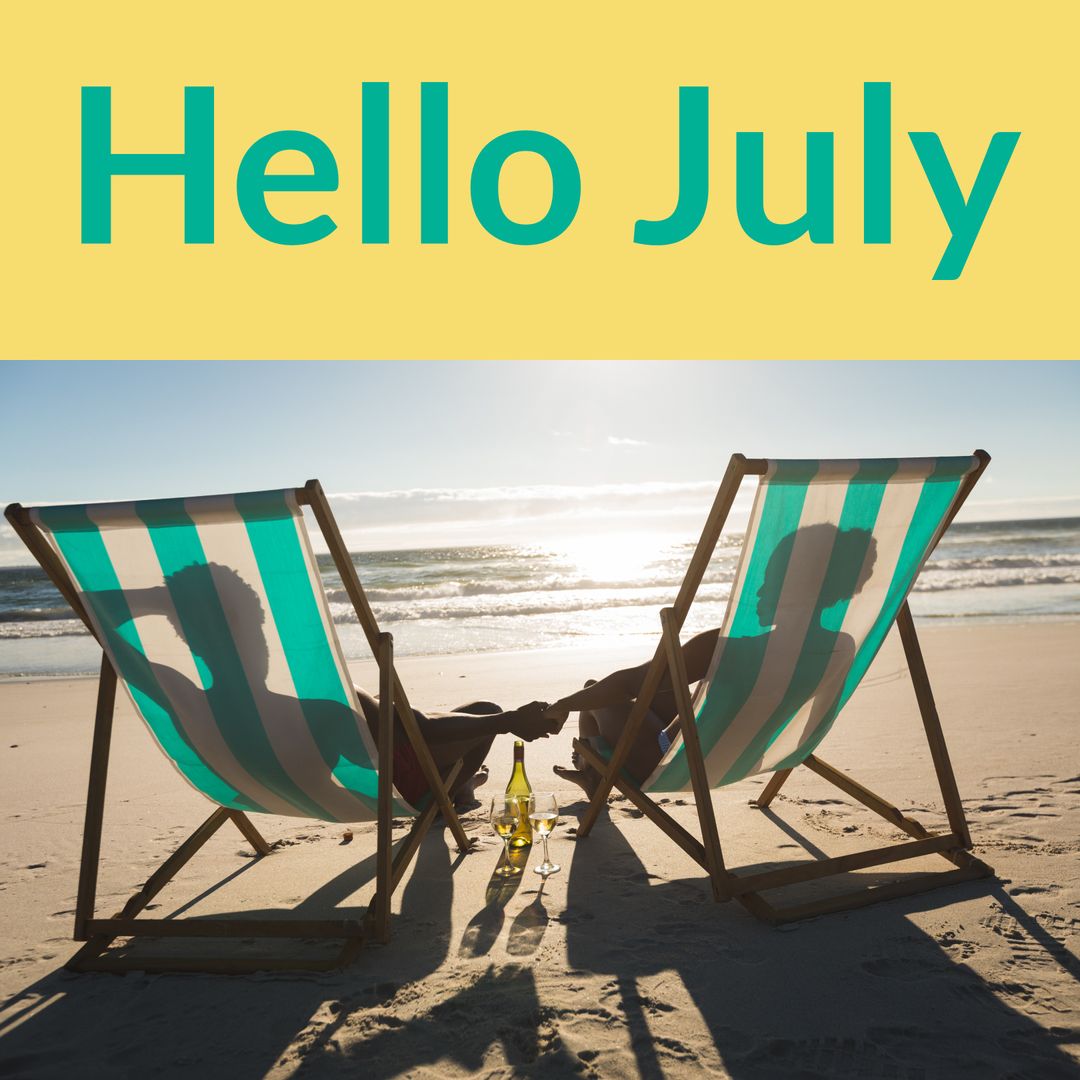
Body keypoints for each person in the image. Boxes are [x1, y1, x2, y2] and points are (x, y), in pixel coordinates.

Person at [547, 523, 878, 796]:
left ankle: (593, 776)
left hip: (671, 766)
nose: (759, 590)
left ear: (794, 586)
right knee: (662, 695)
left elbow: (630, 683)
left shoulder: (724, 649)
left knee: (596, 693)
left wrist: (559, 705)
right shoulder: (841, 648)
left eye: (770, 578)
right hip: (744, 758)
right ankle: (592, 775)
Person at [352, 690, 561, 810]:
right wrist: (511, 720)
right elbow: (426, 729)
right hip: (408, 786)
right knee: (487, 710)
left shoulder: (321, 709)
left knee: (387, 705)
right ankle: (451, 788)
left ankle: (462, 783)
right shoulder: (339, 693)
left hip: (367, 794)